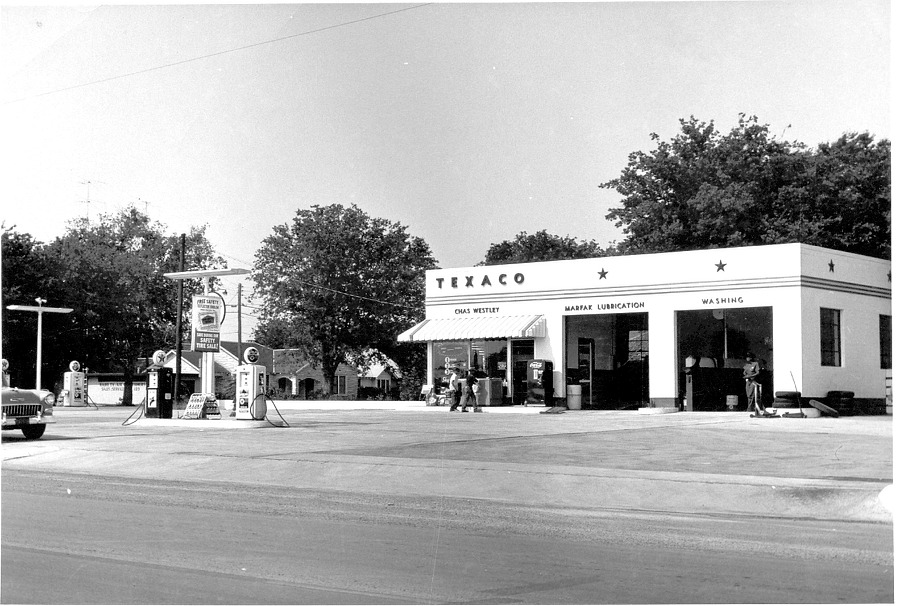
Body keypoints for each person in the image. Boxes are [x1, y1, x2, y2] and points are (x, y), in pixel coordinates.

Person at [743, 352, 769, 417]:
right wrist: (746, 376)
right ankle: (750, 407)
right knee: (748, 394)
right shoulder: (746, 365)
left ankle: (749, 408)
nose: (747, 358)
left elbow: (758, 372)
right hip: (748, 381)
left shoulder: (755, 364)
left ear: (751, 358)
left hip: (753, 380)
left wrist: (751, 376)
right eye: (747, 357)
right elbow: (744, 372)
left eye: (748, 357)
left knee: (751, 395)